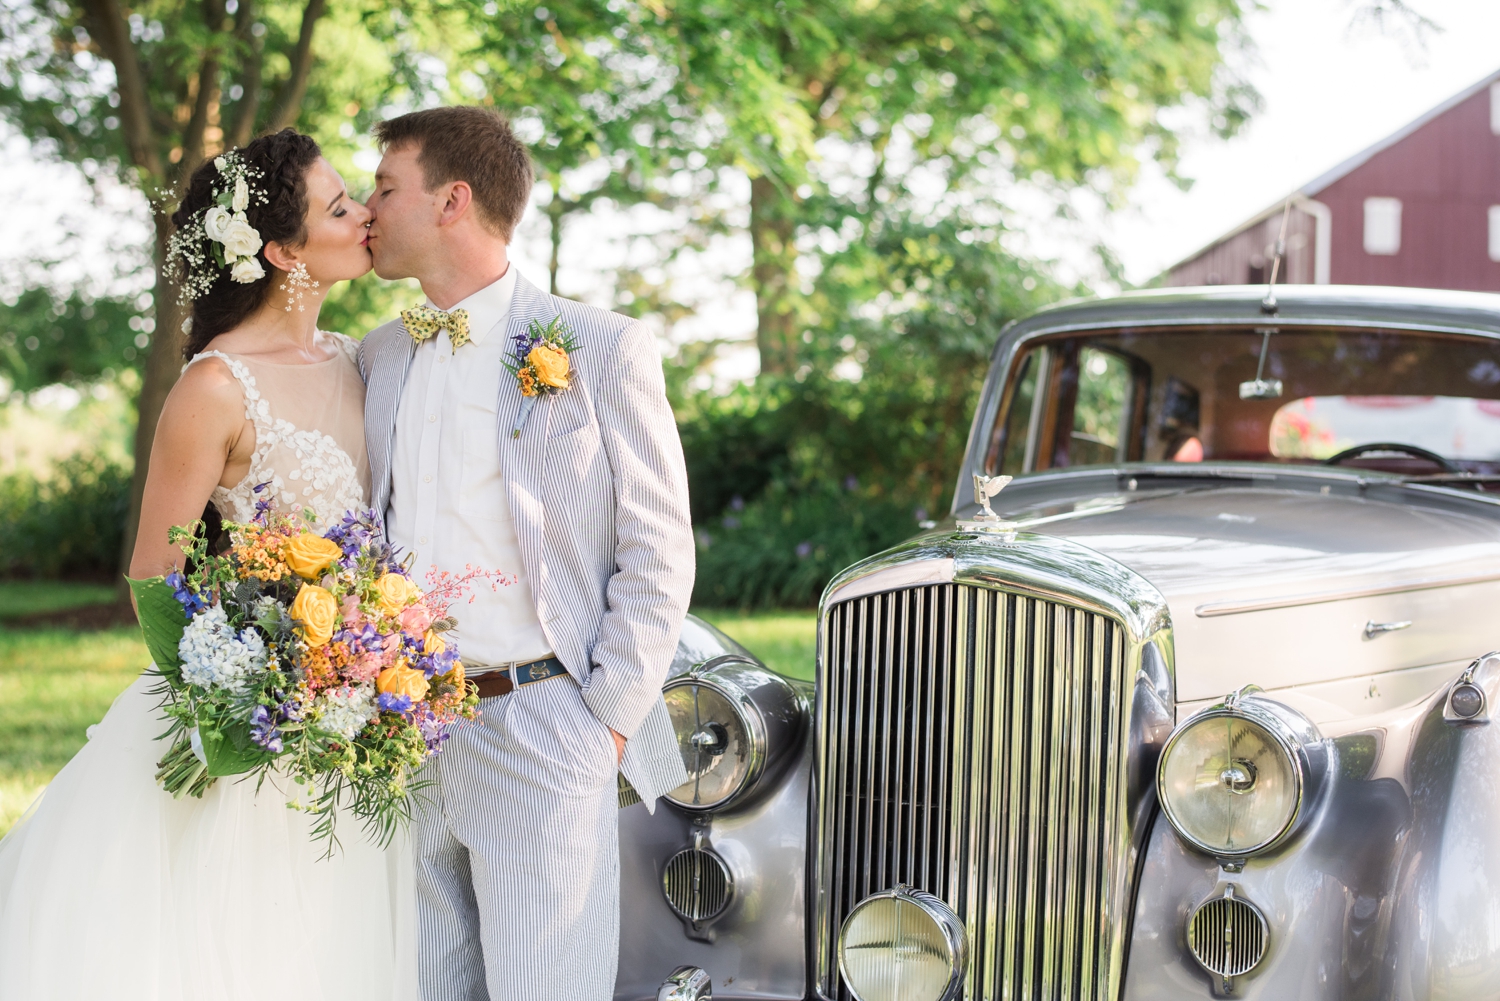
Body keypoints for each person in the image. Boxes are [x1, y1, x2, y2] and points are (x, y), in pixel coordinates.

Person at [0, 129, 418, 1001]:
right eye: (339, 206)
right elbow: (157, 577)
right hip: (255, 723)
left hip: (354, 719)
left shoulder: (362, 358)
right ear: (281, 250)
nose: (365, 214)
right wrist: (256, 697)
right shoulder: (214, 388)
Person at [359, 105, 693, 1001]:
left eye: (386, 188)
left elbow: (658, 551)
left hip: (544, 719)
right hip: (406, 732)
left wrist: (604, 721)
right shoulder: (378, 356)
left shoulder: (601, 346)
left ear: (451, 201)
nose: (366, 209)